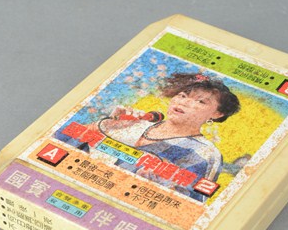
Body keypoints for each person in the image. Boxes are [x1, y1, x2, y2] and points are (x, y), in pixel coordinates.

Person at [96, 73, 241, 201]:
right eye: (182, 95)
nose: (184, 102)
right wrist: (107, 125)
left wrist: (160, 184)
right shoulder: (135, 124)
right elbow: (83, 145)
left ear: (217, 114)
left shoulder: (205, 153)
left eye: (200, 101)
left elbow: (190, 205)